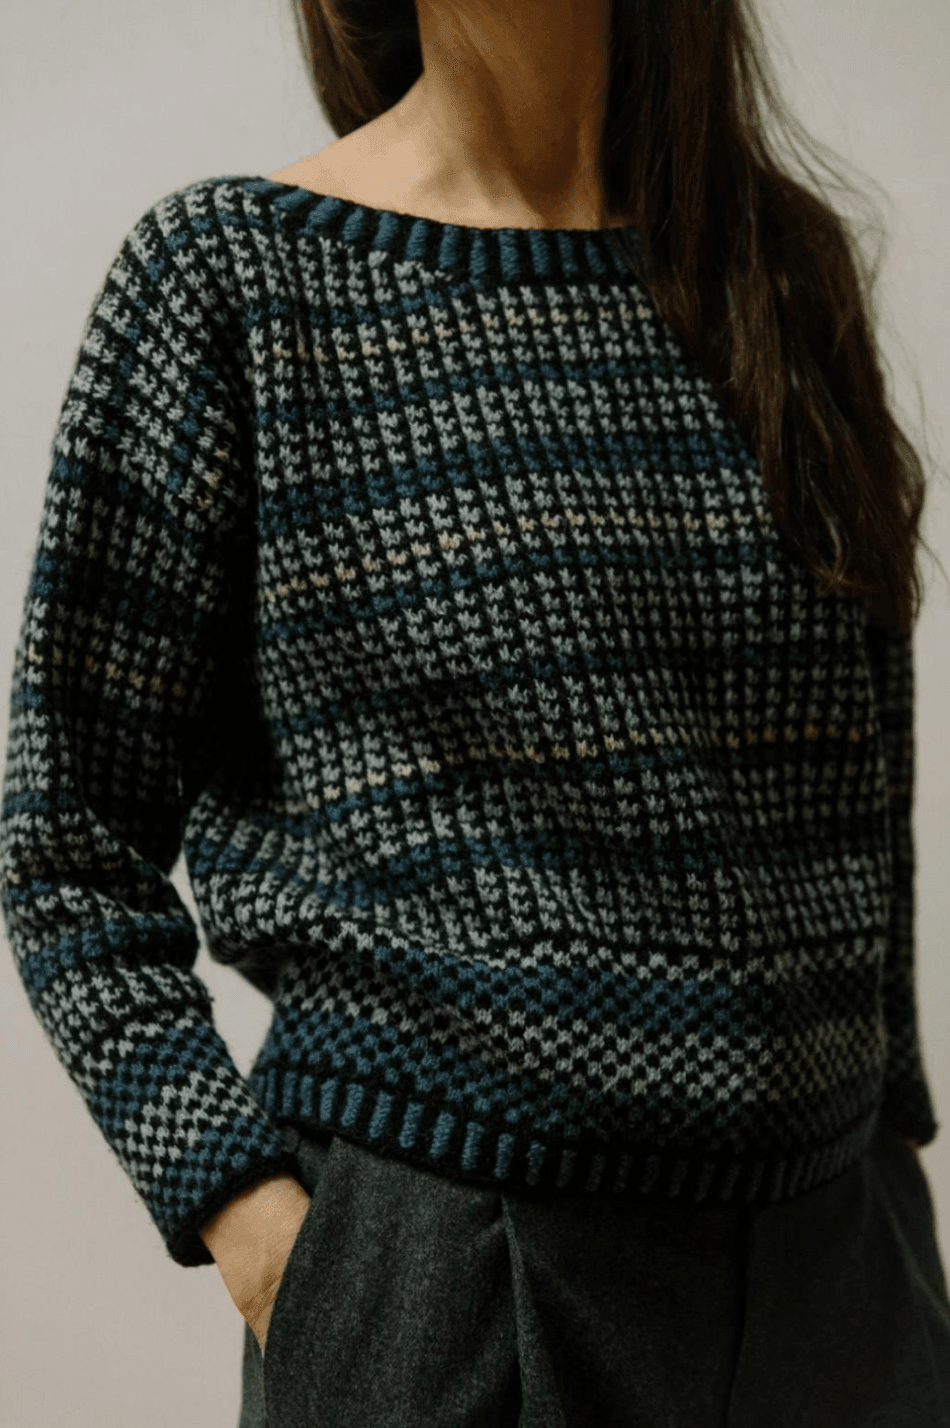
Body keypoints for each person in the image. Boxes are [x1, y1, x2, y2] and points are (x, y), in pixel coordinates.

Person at [2, 1, 949, 1424]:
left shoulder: (781, 267)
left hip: (837, 1280)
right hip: (458, 1275)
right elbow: (66, 839)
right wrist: (250, 1221)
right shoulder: (238, 277)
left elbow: (864, 793)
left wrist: (896, 1165)